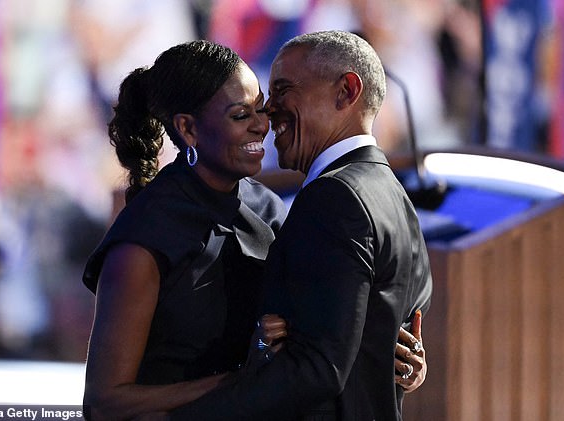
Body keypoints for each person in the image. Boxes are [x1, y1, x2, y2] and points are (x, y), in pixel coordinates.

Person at [82, 39, 426, 420]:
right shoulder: (145, 236)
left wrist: (379, 350)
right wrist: (241, 379)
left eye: (260, 108)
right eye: (240, 115)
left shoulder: (270, 209)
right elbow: (104, 403)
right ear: (188, 129)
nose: (263, 124)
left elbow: (313, 334)